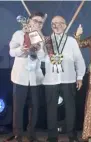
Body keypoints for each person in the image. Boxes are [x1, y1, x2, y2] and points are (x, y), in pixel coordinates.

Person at [43, 16, 86, 142]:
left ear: (65, 25)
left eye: (60, 23)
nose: (57, 25)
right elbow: (40, 58)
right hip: (50, 79)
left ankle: (72, 135)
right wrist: (50, 58)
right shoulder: (46, 41)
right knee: (51, 108)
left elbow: (79, 59)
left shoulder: (71, 41)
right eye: (54, 23)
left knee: (70, 108)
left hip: (68, 79)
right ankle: (52, 136)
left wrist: (79, 77)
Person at [9, 12, 46, 142]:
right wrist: (21, 50)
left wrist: (38, 48)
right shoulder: (18, 34)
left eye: (40, 22)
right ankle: (17, 134)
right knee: (18, 107)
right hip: (20, 77)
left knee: (34, 107)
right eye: (35, 21)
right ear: (29, 21)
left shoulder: (41, 37)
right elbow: (11, 52)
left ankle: (31, 134)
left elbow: (44, 58)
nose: (37, 24)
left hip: (35, 78)